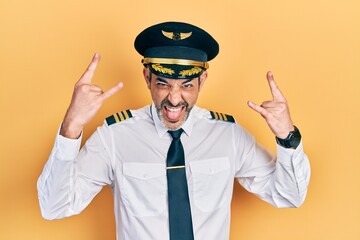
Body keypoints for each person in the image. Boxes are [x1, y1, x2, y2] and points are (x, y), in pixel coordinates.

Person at [37, 21, 310, 240]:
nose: (175, 99)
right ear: (147, 78)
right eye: (163, 84)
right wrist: (71, 127)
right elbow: (54, 206)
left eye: (187, 86)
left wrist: (287, 135)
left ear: (202, 79)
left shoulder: (228, 135)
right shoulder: (114, 137)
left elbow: (289, 195)